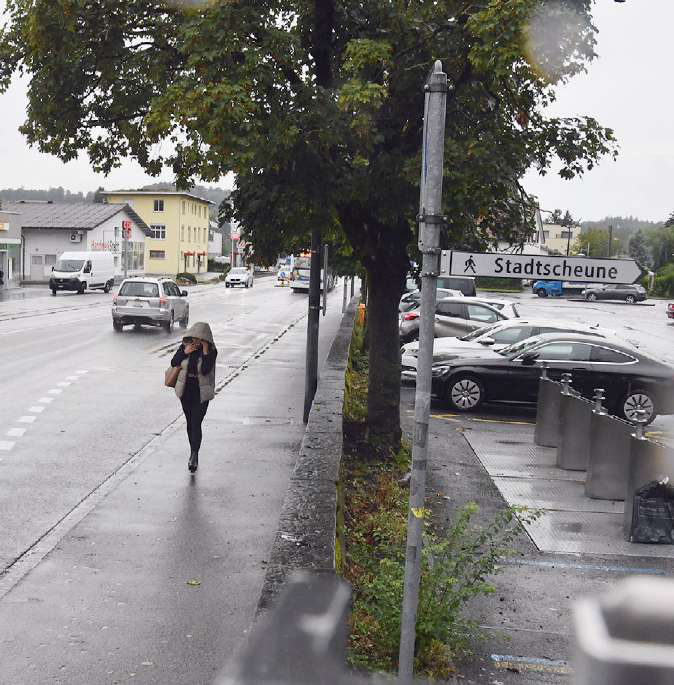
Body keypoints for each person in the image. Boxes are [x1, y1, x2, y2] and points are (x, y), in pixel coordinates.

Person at [170, 322, 217, 473]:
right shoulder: (185, 346)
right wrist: (185, 351)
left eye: (200, 338)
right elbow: (174, 362)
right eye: (195, 337)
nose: (196, 340)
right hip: (186, 392)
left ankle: (194, 455)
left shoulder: (211, 352)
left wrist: (204, 350)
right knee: (190, 423)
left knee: (196, 422)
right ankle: (193, 451)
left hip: (201, 393)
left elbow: (204, 370)